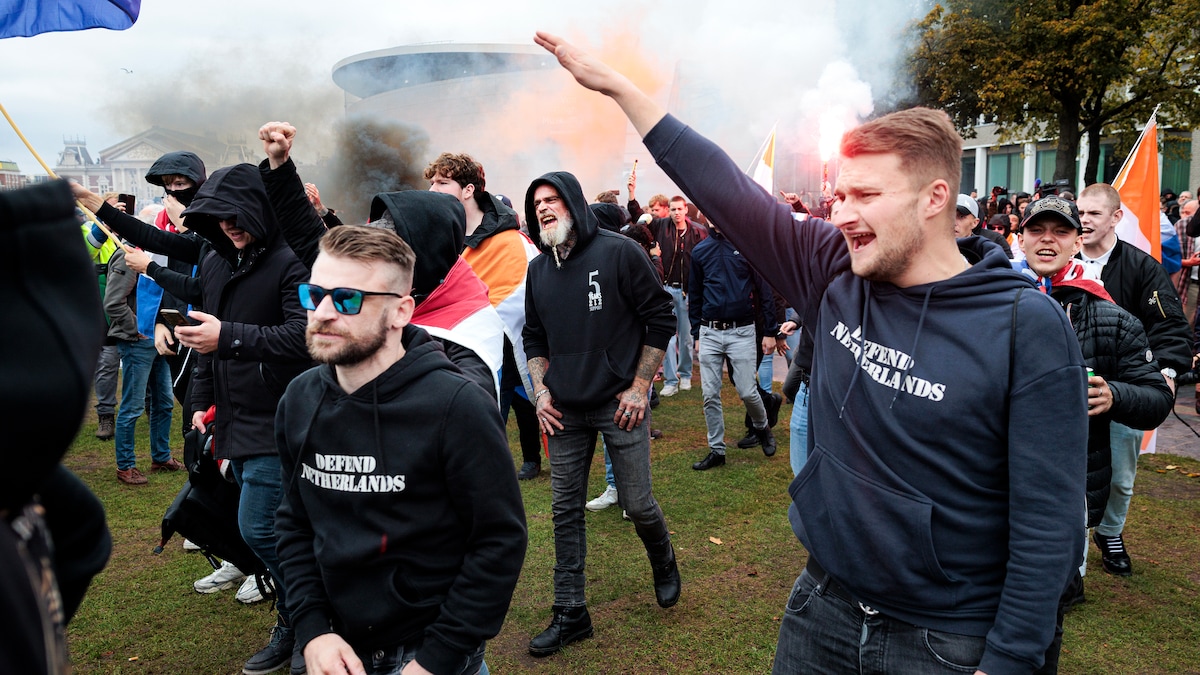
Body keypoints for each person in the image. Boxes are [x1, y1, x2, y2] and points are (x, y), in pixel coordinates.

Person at [534, 31, 1087, 673]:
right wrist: (622, 89)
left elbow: (1049, 522)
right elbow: (729, 191)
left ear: (936, 198)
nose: (843, 213)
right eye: (842, 194)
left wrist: (1012, 659)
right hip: (823, 606)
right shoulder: (834, 270)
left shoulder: (1025, 324)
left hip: (947, 638)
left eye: (867, 196)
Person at [275, 225, 526, 675]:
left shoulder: (457, 406)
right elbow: (294, 523)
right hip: (331, 646)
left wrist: (437, 658)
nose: (324, 312)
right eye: (314, 294)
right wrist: (311, 630)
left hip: (429, 651)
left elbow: (499, 541)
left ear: (401, 312)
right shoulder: (298, 400)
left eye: (348, 299)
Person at [522, 171, 680, 657]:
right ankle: (571, 612)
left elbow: (661, 316)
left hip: (619, 406)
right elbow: (533, 335)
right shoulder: (538, 270)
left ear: (573, 203)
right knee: (564, 509)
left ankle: (663, 557)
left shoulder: (617, 251)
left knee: (636, 504)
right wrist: (541, 391)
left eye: (552, 200)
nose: (544, 209)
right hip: (565, 410)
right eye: (537, 204)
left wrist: (639, 386)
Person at [1013, 196, 1173, 671]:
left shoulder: (1111, 315)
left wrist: (1115, 396)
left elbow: (1157, 401)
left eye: (1059, 231)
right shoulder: (992, 298)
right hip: (988, 482)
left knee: (1044, 615)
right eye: (1036, 230)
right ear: (1020, 239)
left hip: (1066, 490)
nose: (1047, 240)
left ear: (1076, 240)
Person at [175, 164, 313, 675]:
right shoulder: (216, 263)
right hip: (234, 418)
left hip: (283, 418)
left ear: (258, 209)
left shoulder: (290, 261)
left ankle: (308, 621)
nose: (229, 226)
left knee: (260, 528)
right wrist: (198, 402)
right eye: (217, 218)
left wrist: (228, 336)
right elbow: (208, 347)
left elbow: (304, 337)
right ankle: (301, 618)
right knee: (263, 529)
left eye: (237, 217)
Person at [1075, 183, 1194, 577]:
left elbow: (1170, 327)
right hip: (1067, 390)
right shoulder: (1060, 259)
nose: (1085, 220)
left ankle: (1109, 533)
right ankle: (1065, 547)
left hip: (1121, 391)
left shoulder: (1143, 268)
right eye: (1081, 212)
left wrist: (1167, 372)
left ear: (1116, 218)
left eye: (1094, 213)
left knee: (1122, 478)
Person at [424, 152, 542, 479]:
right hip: (450, 349)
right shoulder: (436, 239)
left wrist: (476, 314)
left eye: (442, 182)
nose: (432, 190)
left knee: (511, 409)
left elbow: (525, 295)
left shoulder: (509, 241)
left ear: (468, 190)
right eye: (431, 182)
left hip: (503, 350)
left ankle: (525, 464)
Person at [688, 218, 778, 470]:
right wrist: (697, 332)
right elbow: (694, 294)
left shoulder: (747, 247)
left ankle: (762, 427)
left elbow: (765, 291)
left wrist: (770, 331)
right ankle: (717, 450)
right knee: (709, 395)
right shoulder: (700, 251)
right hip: (710, 332)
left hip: (743, 331)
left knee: (748, 391)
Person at [102, 241, 181, 484]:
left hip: (155, 338)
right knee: (133, 407)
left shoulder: (154, 254)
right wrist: (139, 328)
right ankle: (125, 466)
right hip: (139, 341)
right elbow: (113, 302)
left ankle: (161, 456)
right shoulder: (129, 255)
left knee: (164, 403)